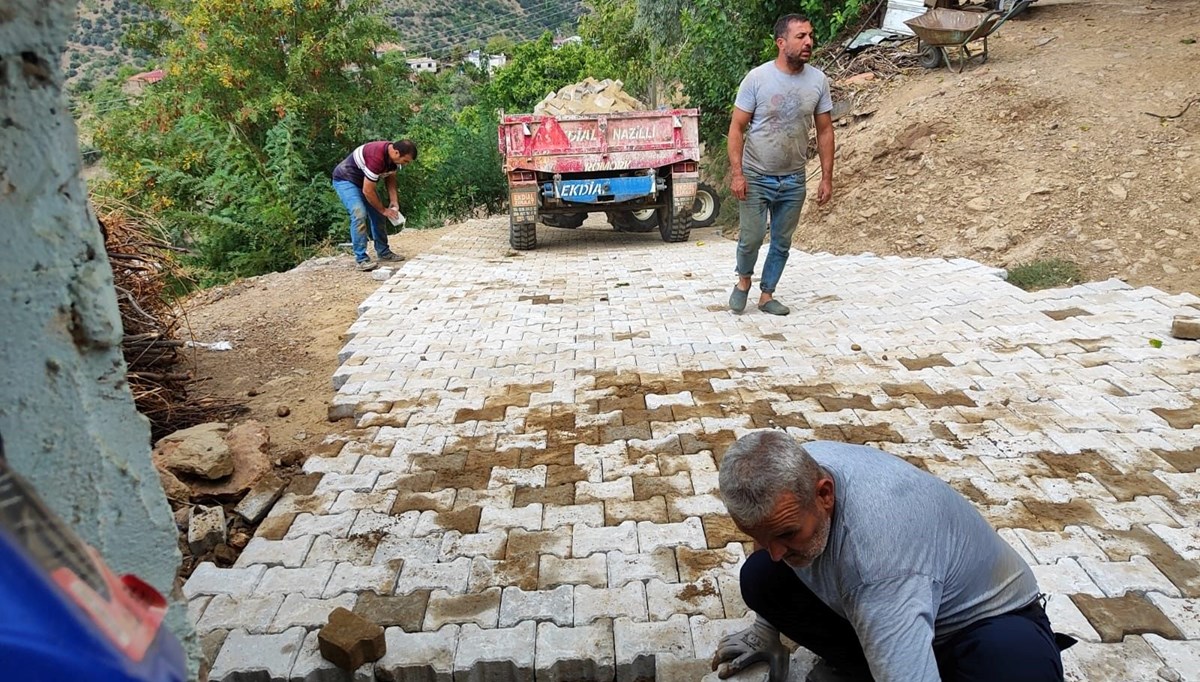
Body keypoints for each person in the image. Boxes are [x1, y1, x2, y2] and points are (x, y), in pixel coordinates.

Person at [712, 431, 1073, 682]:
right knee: (762, 575)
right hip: (889, 597)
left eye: (788, 534)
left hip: (981, 625)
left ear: (824, 494)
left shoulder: (878, 562)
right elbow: (771, 534)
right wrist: (764, 632)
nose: (775, 550)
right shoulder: (794, 475)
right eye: (760, 536)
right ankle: (866, 665)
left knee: (1016, 667)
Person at [728, 14, 835, 316]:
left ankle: (767, 295)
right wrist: (737, 174)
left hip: (793, 178)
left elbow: (825, 131)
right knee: (750, 238)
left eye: (810, 36)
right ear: (781, 42)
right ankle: (744, 280)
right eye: (800, 36)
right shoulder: (757, 79)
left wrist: (827, 178)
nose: (809, 42)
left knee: (782, 242)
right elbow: (736, 128)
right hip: (756, 175)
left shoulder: (818, 81)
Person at [331, 139, 417, 271]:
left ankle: (383, 252)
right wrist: (383, 210)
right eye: (405, 161)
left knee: (378, 215)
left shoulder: (392, 158)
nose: (405, 164)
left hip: (364, 182)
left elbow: (390, 177)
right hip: (346, 180)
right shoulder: (376, 157)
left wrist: (394, 201)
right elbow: (367, 190)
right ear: (396, 152)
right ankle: (361, 260)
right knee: (359, 213)